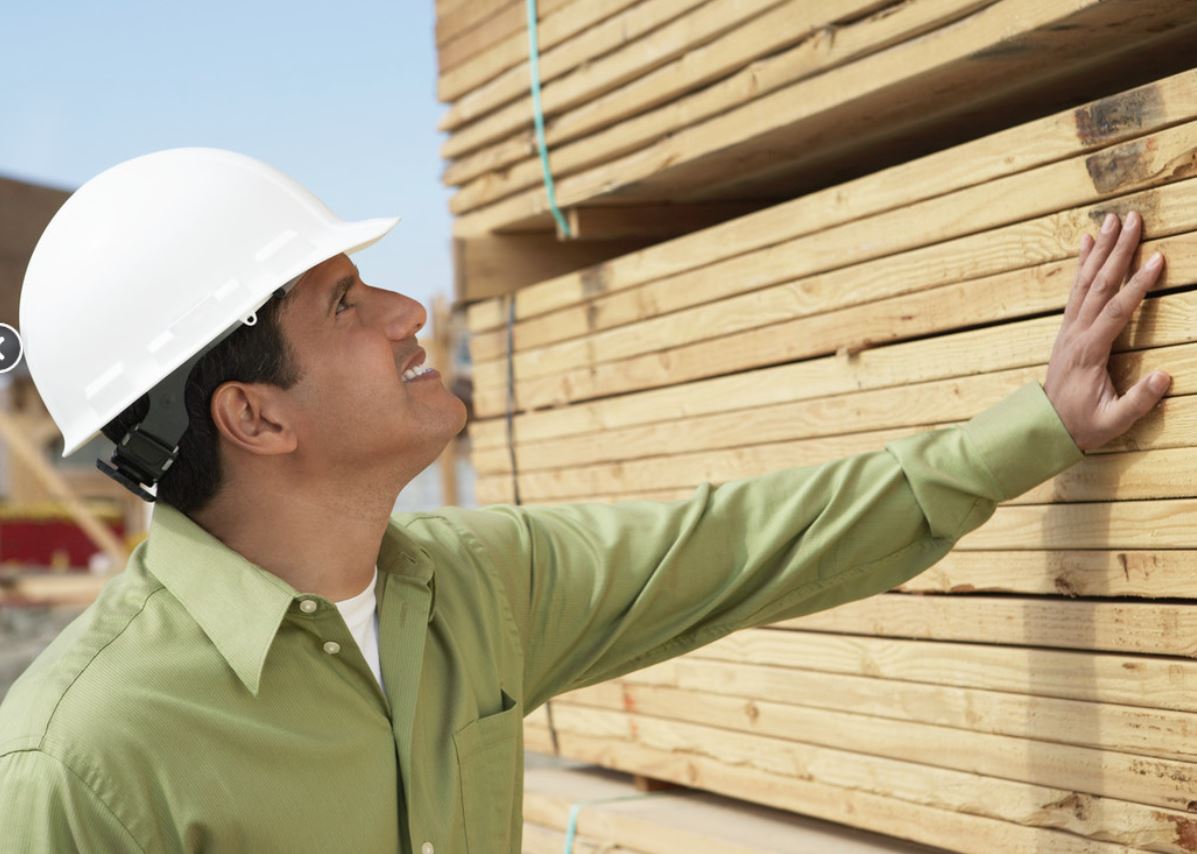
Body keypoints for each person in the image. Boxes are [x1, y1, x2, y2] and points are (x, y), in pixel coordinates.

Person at [0, 147, 1170, 853]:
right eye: (348, 302)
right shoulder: (85, 759)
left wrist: (1041, 428)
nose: (412, 311)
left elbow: (750, 543)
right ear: (253, 416)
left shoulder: (470, 590)